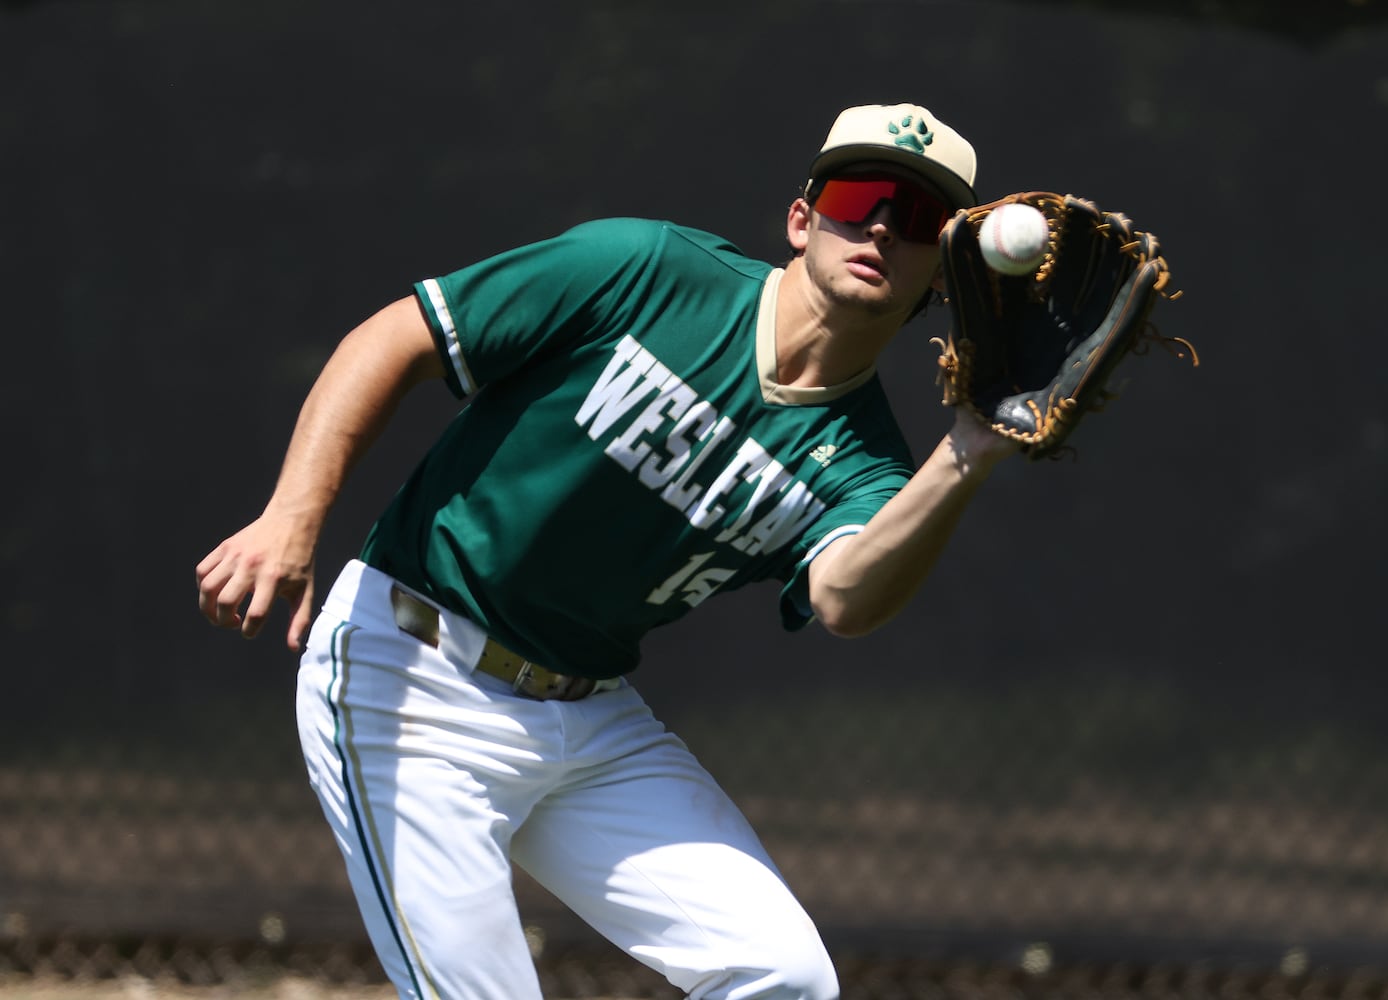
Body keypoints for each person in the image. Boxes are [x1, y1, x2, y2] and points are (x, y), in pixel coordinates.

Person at [195, 102, 1017, 1000]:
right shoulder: (644, 269)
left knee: (783, 977)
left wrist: (969, 447)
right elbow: (397, 337)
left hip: (590, 723)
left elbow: (846, 597)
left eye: (920, 216)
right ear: (800, 219)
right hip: (412, 673)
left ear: (942, 269)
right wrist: (291, 515)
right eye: (859, 195)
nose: (882, 225)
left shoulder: (865, 459)